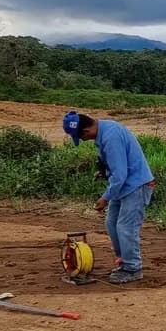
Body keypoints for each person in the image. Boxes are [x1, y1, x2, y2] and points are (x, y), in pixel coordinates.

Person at [63, 111, 154, 284]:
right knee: (111, 223)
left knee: (125, 227)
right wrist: (104, 171)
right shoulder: (104, 129)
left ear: (86, 131)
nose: (83, 140)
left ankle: (133, 268)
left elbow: (120, 174)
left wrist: (105, 198)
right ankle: (123, 262)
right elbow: (116, 168)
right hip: (124, 186)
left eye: (81, 137)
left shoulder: (110, 137)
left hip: (136, 185)